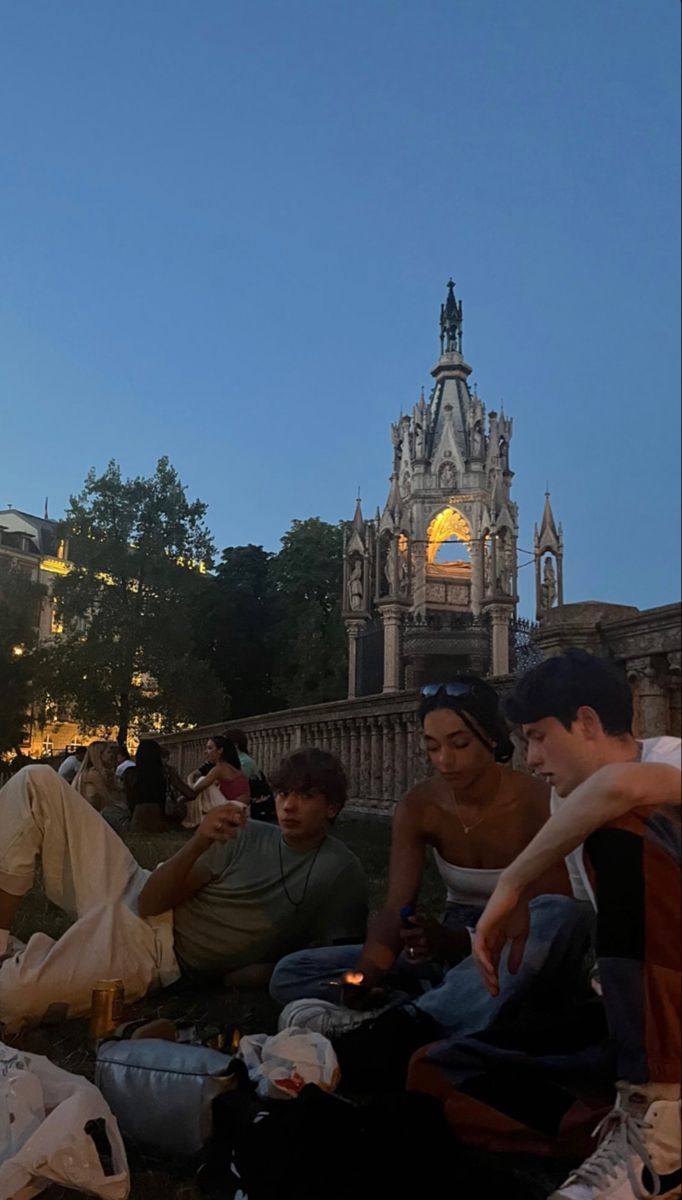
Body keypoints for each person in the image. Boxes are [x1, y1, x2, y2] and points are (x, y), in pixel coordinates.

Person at [435, 650, 680, 1200]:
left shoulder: (670, 760)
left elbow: (618, 788)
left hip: (672, 1037)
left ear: (588, 723)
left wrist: (513, 882)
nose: (532, 758)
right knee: (443, 1072)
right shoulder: (566, 801)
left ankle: (662, 1140)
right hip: (656, 1014)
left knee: (621, 828)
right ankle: (628, 1129)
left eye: (539, 736)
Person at [273, 677, 591, 1087]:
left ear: (492, 739)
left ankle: (411, 1025)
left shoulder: (536, 802)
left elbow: (546, 913)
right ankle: (417, 1010)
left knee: (563, 916)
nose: (444, 760)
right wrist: (367, 974)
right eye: (431, 747)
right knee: (290, 974)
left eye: (459, 745)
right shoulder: (421, 806)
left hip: (517, 943)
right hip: (448, 944)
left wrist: (455, 943)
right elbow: (396, 908)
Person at [0, 748, 368, 1031]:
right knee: (34, 781)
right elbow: (148, 901)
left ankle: (35, 960)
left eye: (305, 795)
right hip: (136, 888)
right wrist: (198, 843)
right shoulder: (245, 834)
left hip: (152, 951)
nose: (288, 805)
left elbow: (333, 962)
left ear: (332, 806)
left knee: (13, 997)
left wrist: (245, 972)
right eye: (283, 792)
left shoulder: (340, 872)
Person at [183, 735, 250, 829]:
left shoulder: (220, 768)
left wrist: (181, 799)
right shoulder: (227, 767)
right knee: (207, 784)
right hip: (239, 809)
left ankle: (194, 819)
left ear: (220, 750)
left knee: (203, 781)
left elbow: (195, 791)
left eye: (210, 748)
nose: (206, 752)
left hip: (235, 809)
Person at [72, 741, 119, 811]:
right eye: (108, 752)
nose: (112, 755)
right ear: (98, 755)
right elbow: (108, 799)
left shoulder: (98, 773)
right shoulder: (93, 774)